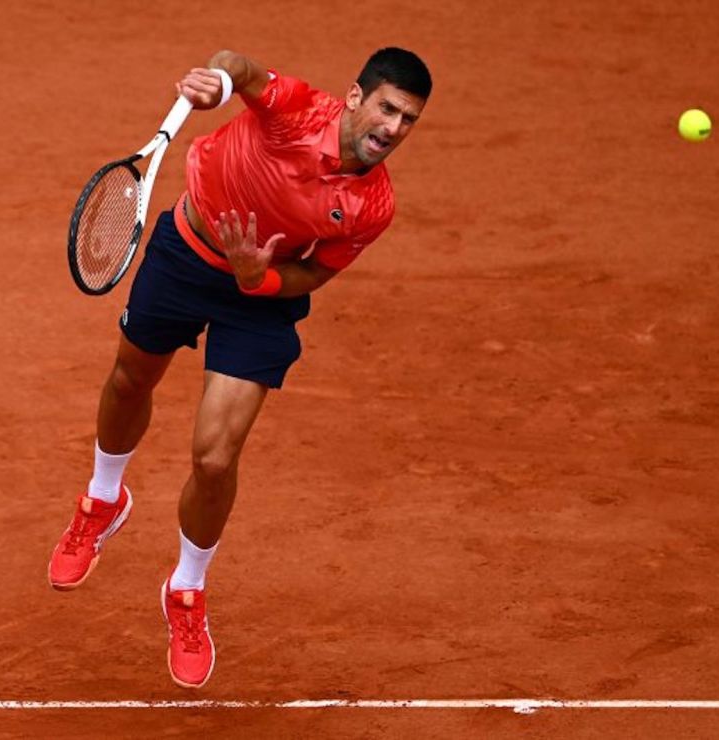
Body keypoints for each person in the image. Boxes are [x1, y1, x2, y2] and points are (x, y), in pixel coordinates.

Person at [48, 47, 432, 689]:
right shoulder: (299, 109)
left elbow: (313, 273)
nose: (392, 130)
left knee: (216, 459)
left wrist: (262, 277)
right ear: (357, 97)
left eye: (409, 121)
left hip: (259, 295)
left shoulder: (374, 206)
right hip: (185, 256)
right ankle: (103, 497)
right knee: (130, 379)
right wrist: (218, 82)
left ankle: (187, 590)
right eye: (388, 109)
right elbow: (243, 68)